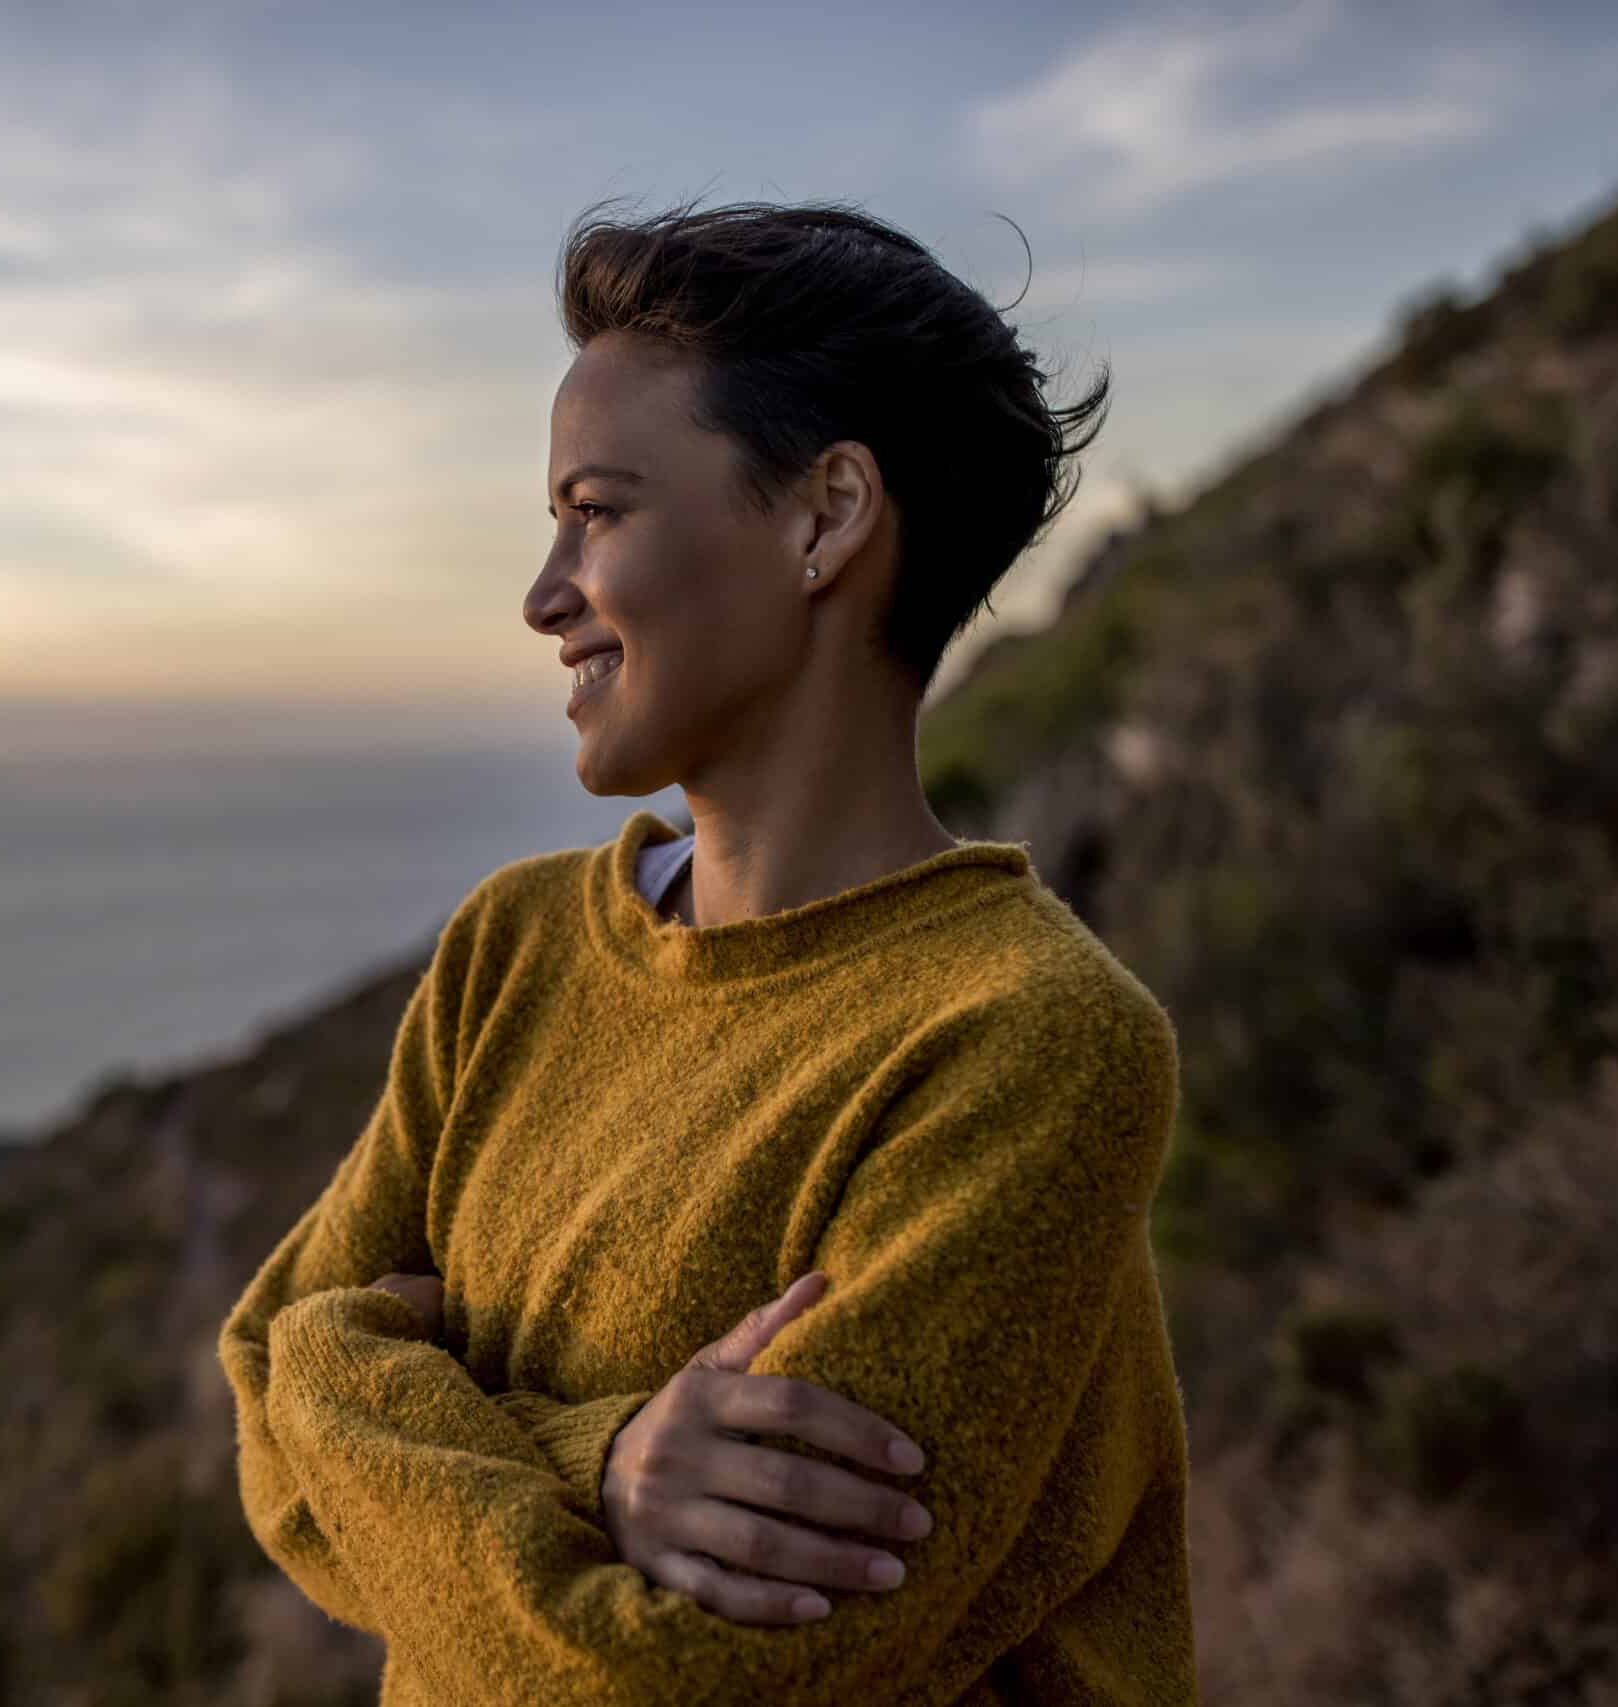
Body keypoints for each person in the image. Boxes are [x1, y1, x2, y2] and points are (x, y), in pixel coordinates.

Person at [216, 193, 1195, 1705]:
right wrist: (599, 1461)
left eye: (597, 512)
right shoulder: (512, 949)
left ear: (826, 516)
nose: (545, 593)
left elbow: (693, 1674)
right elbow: (266, 1405)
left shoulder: (1025, 1038)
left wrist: (357, 1377)